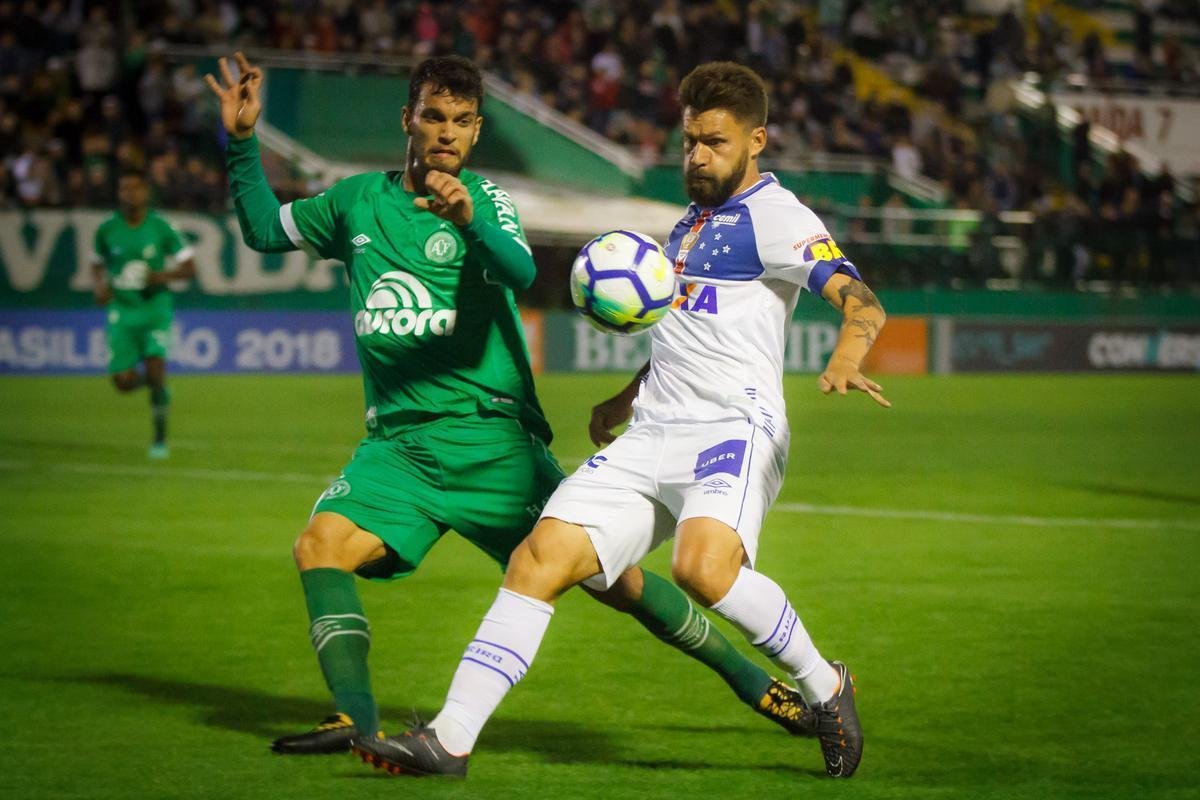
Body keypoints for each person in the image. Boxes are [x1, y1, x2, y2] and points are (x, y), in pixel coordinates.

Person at [205, 52, 820, 757]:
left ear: (476, 133)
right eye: (433, 118)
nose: (446, 134)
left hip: (492, 443)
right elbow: (260, 228)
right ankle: (355, 720)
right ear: (407, 120)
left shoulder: (487, 202)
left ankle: (753, 682)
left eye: (462, 122)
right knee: (319, 546)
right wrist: (244, 140)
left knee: (615, 582)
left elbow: (522, 271)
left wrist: (468, 221)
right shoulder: (352, 203)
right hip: (399, 448)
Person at [352, 61, 889, 780]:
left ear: (757, 141)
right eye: (690, 140)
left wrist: (850, 354)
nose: (696, 156)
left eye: (716, 143)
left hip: (733, 427)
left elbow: (861, 299)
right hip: (654, 431)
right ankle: (448, 741)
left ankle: (827, 686)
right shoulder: (690, 223)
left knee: (701, 568)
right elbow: (688, 328)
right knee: (538, 560)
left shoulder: (780, 220)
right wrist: (627, 396)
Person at [90, 169, 196, 459]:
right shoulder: (107, 229)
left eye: (136, 189)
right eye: (124, 189)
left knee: (156, 369)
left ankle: (160, 440)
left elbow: (190, 268)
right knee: (122, 383)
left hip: (155, 310)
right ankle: (157, 385)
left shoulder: (161, 227)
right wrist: (99, 287)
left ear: (145, 193)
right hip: (122, 312)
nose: (130, 194)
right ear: (119, 193)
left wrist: (160, 277)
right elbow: (96, 263)